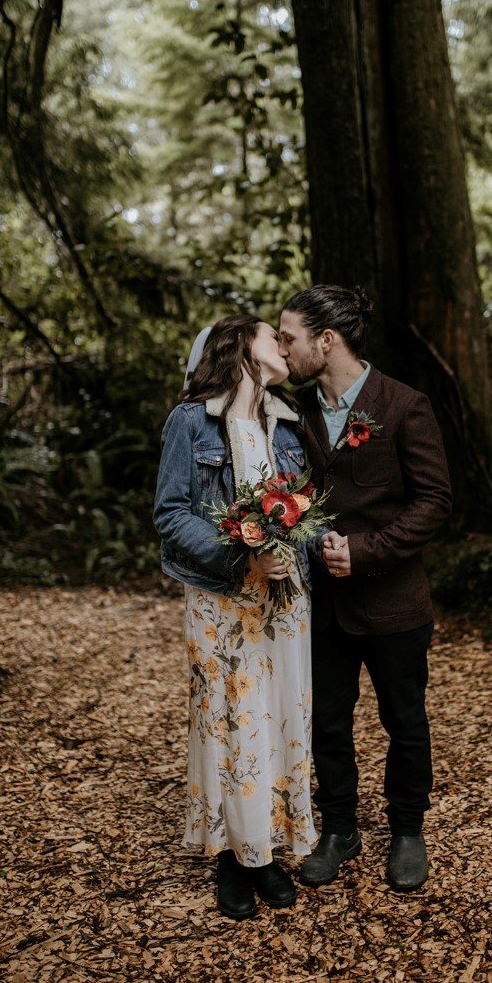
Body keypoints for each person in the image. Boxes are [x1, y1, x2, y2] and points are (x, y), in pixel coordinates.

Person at [278, 285, 452, 892]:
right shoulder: (291, 412)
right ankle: (340, 828)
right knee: (327, 720)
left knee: (404, 720)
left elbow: (435, 503)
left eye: (289, 337)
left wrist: (366, 551)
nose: (282, 348)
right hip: (321, 605)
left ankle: (407, 829)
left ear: (326, 341)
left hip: (394, 602)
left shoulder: (404, 405)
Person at [153, 314, 316, 920]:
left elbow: (305, 509)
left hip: (286, 602)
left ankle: (266, 851)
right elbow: (170, 515)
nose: (282, 342)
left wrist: (289, 555)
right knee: (226, 720)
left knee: (276, 720)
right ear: (240, 346)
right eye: (271, 334)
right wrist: (239, 556)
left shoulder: (290, 425)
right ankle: (231, 857)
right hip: (223, 599)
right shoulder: (190, 421)